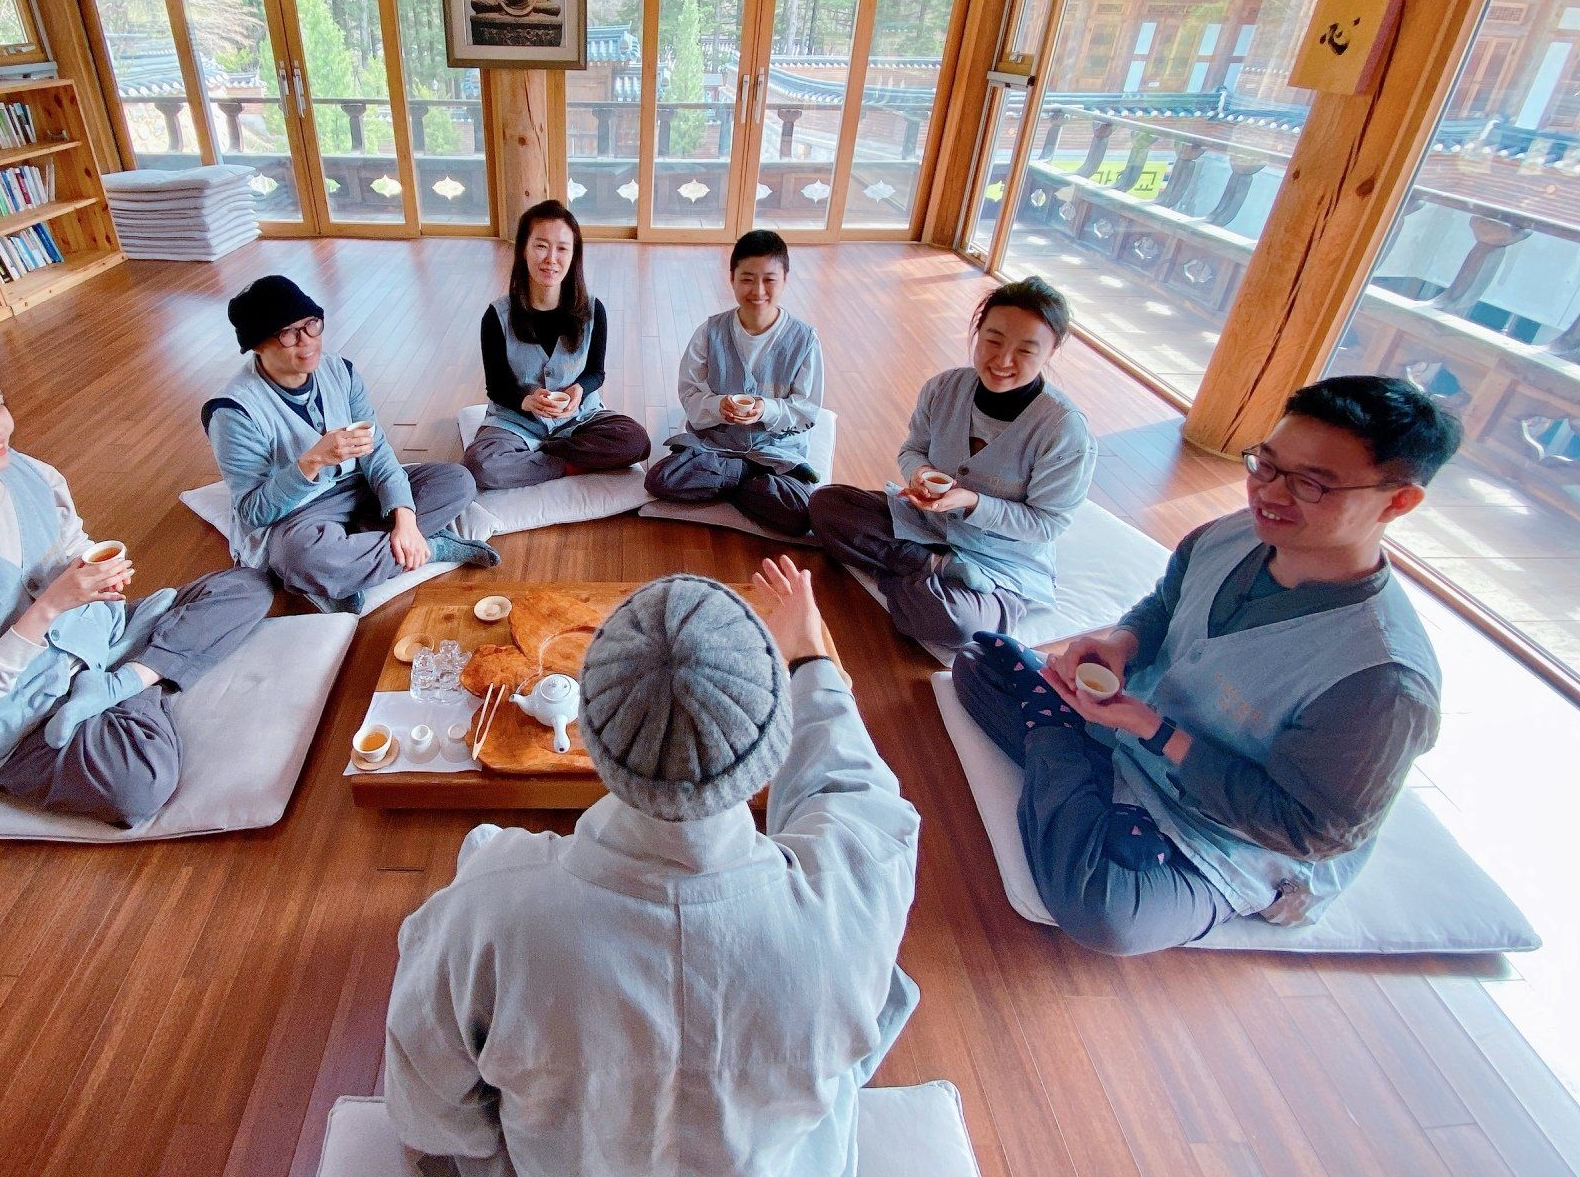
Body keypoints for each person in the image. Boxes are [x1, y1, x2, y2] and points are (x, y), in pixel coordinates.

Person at [385, 557, 919, 1176]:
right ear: (773, 741)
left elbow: (428, 1111)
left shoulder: (488, 911)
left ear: (596, 736)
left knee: (483, 852)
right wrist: (810, 658)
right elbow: (851, 786)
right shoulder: (861, 877)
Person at [953, 375, 1461, 955]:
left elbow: (1308, 829)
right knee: (981, 657)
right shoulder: (1232, 535)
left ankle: (1066, 751)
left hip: (1225, 832)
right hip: (1131, 730)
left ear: (1398, 500)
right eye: (1265, 465)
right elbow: (1165, 604)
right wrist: (1122, 645)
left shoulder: (1384, 683)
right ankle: (1087, 778)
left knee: (1111, 913)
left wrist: (1155, 730)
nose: (1269, 494)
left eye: (1312, 485)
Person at [0, 339, 273, 826]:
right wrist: (49, 607)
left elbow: (71, 543)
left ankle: (127, 682)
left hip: (95, 641)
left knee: (248, 588)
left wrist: (95, 578)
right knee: (138, 785)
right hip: (12, 718)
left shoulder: (25, 471)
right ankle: (148, 678)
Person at [810, 277, 1094, 651]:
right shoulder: (944, 389)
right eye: (993, 340)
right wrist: (921, 473)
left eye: (1025, 350)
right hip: (926, 524)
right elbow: (912, 449)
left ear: (1051, 351)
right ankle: (933, 568)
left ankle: (916, 572)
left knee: (955, 625)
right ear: (977, 333)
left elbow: (1047, 523)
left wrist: (972, 502)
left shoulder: (1064, 429)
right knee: (825, 504)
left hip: (1000, 561)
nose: (1003, 360)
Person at [203, 275, 497, 615]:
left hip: (360, 493)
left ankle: (353, 567)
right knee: (300, 558)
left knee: (457, 481)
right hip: (299, 517)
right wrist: (310, 462)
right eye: (288, 333)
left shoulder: (340, 371)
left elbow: (378, 451)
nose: (307, 341)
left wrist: (403, 516)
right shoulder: (233, 412)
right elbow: (252, 511)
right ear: (257, 344)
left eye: (312, 324)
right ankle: (432, 548)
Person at [644, 230, 825, 537]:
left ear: (785, 279)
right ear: (732, 278)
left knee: (800, 515)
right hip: (716, 445)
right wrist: (718, 406)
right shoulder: (710, 331)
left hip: (774, 452)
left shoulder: (805, 339)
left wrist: (765, 409)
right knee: (659, 479)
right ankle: (748, 481)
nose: (758, 290)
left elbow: (806, 412)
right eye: (747, 278)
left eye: (769, 279)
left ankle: (726, 481)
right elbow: (689, 394)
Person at [463, 199, 652, 491]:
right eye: (541, 245)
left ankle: (539, 458)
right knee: (481, 465)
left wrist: (579, 390)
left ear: (573, 255)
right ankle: (568, 463)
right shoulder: (497, 316)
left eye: (562, 248)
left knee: (635, 441)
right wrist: (527, 401)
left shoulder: (593, 310)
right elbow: (497, 386)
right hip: (517, 421)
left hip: (578, 417)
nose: (551, 258)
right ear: (523, 250)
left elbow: (595, 372)